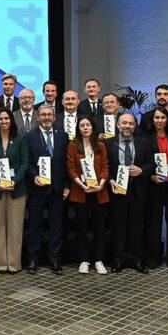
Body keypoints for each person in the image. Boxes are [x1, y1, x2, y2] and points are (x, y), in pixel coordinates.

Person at [106, 114, 154, 274]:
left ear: (135, 126)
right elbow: (104, 167)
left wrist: (142, 170)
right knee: (118, 226)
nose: (127, 126)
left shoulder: (144, 142)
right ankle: (119, 259)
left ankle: (136, 259)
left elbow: (152, 164)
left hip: (138, 191)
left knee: (136, 227)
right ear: (118, 125)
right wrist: (110, 179)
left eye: (130, 124)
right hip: (117, 191)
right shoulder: (108, 143)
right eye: (124, 123)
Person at [25, 106, 69, 275]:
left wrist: (66, 185)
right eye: (43, 114)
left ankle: (55, 260)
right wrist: (34, 176)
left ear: (54, 117)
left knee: (56, 226)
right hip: (37, 188)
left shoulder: (63, 137)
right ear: (38, 117)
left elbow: (66, 163)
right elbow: (27, 162)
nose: (46, 117)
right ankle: (33, 259)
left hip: (57, 189)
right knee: (35, 225)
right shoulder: (29, 137)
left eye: (49, 114)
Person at [0, 108, 28, 274]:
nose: (4, 122)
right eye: (1, 119)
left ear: (11, 121)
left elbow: (25, 163)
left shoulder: (20, 139)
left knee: (15, 228)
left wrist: (14, 181)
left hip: (16, 190)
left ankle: (14, 264)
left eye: (7, 119)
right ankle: (0, 264)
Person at [66, 116, 109, 275]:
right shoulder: (72, 145)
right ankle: (84, 260)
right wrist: (82, 185)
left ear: (93, 127)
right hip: (80, 191)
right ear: (78, 128)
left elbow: (106, 166)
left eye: (88, 125)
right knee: (81, 227)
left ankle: (98, 260)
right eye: (82, 125)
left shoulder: (101, 146)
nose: (85, 128)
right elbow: (70, 168)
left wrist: (101, 184)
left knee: (99, 227)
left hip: (99, 191)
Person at [144, 107, 168, 269]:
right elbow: (142, 160)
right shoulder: (146, 138)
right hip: (154, 183)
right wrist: (151, 176)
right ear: (152, 120)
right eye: (156, 118)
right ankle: (153, 256)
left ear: (167, 120)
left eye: (163, 118)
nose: (159, 120)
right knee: (153, 221)